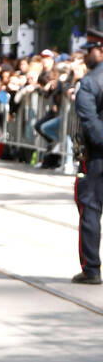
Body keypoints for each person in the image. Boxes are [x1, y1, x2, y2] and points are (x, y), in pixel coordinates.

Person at [71, 33, 103, 284]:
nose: (85, 55)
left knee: (90, 208)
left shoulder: (90, 82)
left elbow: (90, 121)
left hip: (96, 157)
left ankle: (91, 269)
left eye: (90, 50)